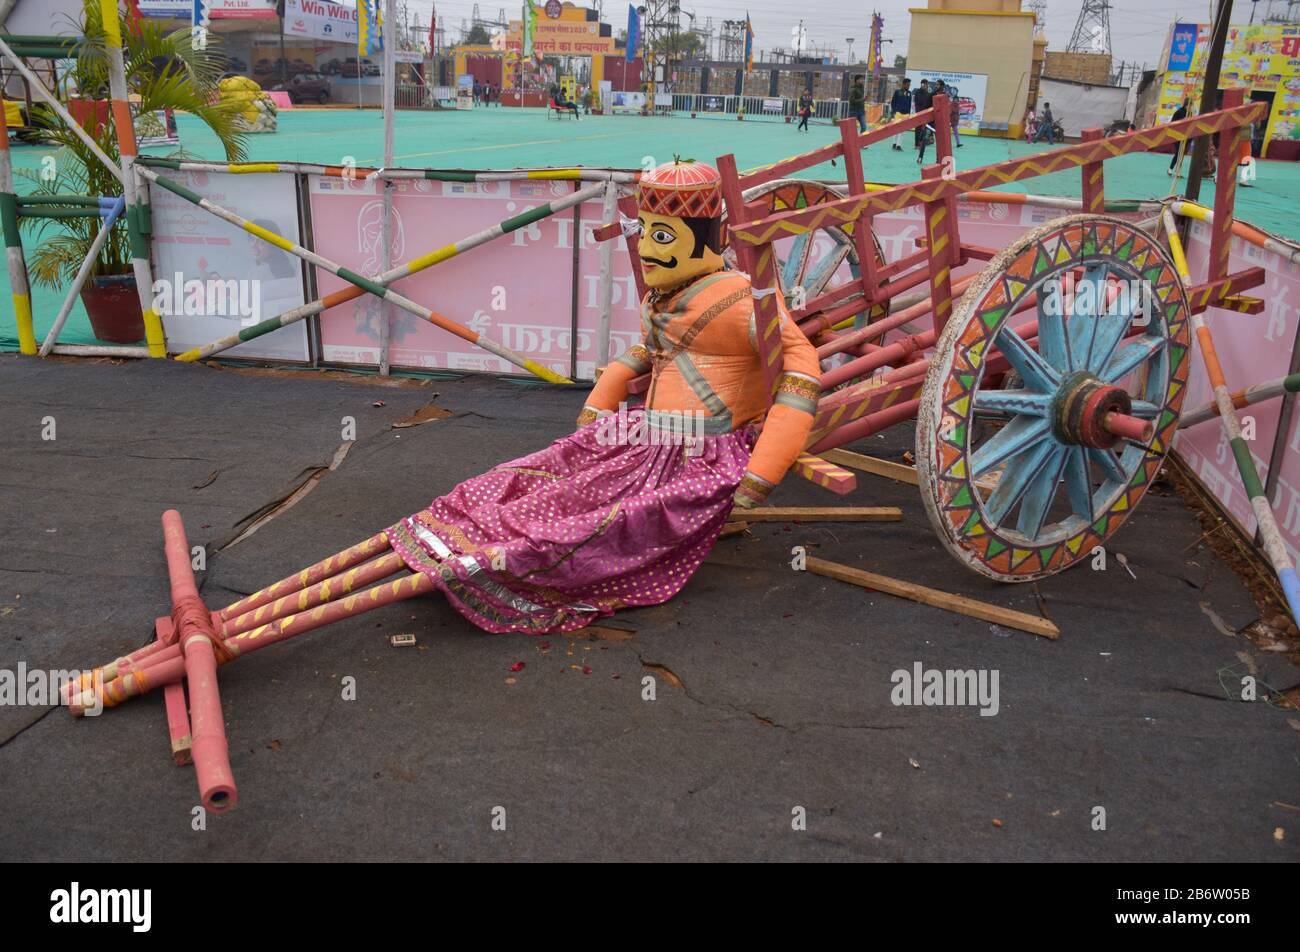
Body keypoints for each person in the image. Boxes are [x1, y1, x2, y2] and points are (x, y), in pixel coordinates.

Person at [381, 160, 821, 633]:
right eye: (646, 233)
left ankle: (494, 564)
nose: (647, 250)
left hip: (700, 455)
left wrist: (763, 470)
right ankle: (452, 538)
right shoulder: (665, 297)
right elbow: (650, 351)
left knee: (590, 526)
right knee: (533, 479)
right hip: (640, 435)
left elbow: (800, 370)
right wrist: (609, 389)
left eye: (665, 237)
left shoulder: (741, 302)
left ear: (709, 238)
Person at [912, 79, 933, 163]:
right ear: (922, 84)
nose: (926, 86)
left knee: (923, 130)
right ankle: (917, 144)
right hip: (919, 113)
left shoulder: (927, 93)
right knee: (918, 129)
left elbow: (928, 103)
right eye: (925, 84)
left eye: (927, 84)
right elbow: (918, 102)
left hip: (926, 114)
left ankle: (921, 143)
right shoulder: (918, 92)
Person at [890, 78, 912, 151]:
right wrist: (894, 111)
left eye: (909, 85)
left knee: (902, 131)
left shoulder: (909, 93)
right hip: (898, 113)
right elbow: (893, 102)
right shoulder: (897, 92)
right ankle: (894, 143)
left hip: (906, 114)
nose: (908, 86)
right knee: (896, 129)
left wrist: (909, 114)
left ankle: (898, 145)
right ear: (903, 84)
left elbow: (909, 104)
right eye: (907, 85)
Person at [1169, 98, 1189, 175]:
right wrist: (1182, 121)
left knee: (1182, 154)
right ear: (1186, 104)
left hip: (1186, 136)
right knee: (1178, 153)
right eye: (1189, 105)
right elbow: (1172, 123)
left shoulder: (1189, 113)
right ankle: (1170, 169)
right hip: (1177, 135)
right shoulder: (1178, 112)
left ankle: (1178, 171)